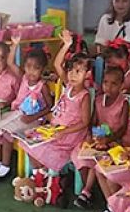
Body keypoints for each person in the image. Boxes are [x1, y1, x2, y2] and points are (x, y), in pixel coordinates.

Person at [0, 38, 53, 181]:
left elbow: (49, 108)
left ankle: (6, 165)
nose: (31, 71)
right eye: (28, 66)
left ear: (43, 69)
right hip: (17, 114)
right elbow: (10, 63)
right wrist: (15, 45)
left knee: (7, 133)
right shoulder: (23, 77)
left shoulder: (43, 86)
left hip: (32, 120)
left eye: (36, 68)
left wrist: (33, 117)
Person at [24, 30, 91, 172]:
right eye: (71, 70)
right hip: (55, 129)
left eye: (78, 71)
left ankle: (45, 178)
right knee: (28, 142)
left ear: (88, 74)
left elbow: (85, 123)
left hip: (70, 135)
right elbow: (57, 64)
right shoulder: (68, 84)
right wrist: (67, 45)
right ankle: (39, 176)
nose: (72, 75)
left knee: (46, 150)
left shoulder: (84, 95)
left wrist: (65, 131)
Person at [71, 66, 130, 208]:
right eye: (106, 82)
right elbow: (93, 121)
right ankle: (89, 189)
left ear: (121, 85)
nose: (109, 87)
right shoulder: (99, 100)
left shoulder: (123, 102)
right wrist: (92, 135)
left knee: (100, 159)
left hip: (119, 139)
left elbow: (123, 128)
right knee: (79, 153)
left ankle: (86, 192)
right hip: (101, 137)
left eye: (114, 84)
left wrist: (108, 139)